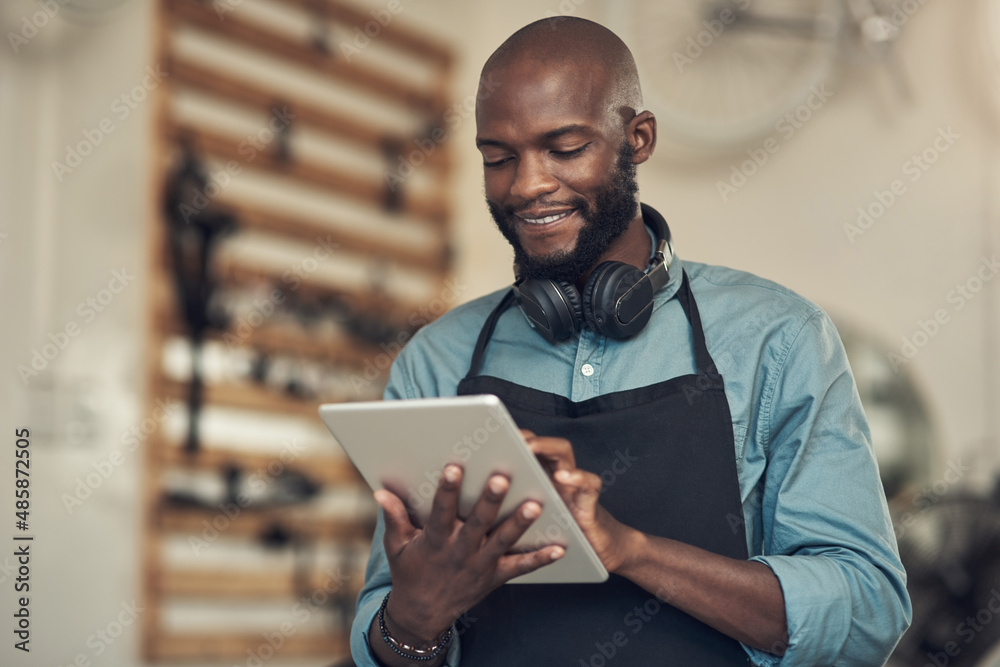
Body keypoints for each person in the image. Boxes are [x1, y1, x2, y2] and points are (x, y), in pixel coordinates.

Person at [350, 16, 911, 667]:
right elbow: (385, 636)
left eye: (564, 149)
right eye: (499, 158)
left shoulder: (776, 339)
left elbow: (869, 610)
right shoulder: (435, 361)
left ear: (637, 138)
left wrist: (629, 549)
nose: (527, 184)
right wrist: (415, 618)